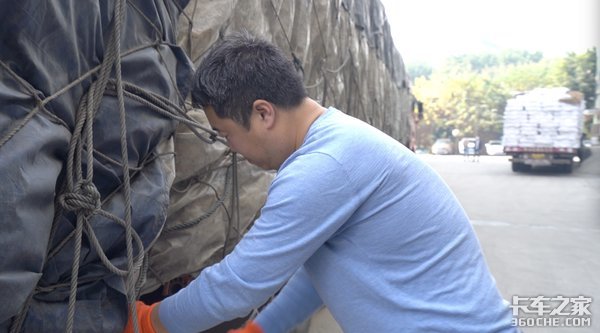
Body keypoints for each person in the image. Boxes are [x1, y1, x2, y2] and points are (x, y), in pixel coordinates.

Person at [125, 31, 517, 333]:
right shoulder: (337, 142)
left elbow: (239, 284)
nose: (231, 149)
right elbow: (319, 277)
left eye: (226, 134)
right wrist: (261, 328)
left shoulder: (324, 166)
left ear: (263, 113)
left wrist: (147, 322)